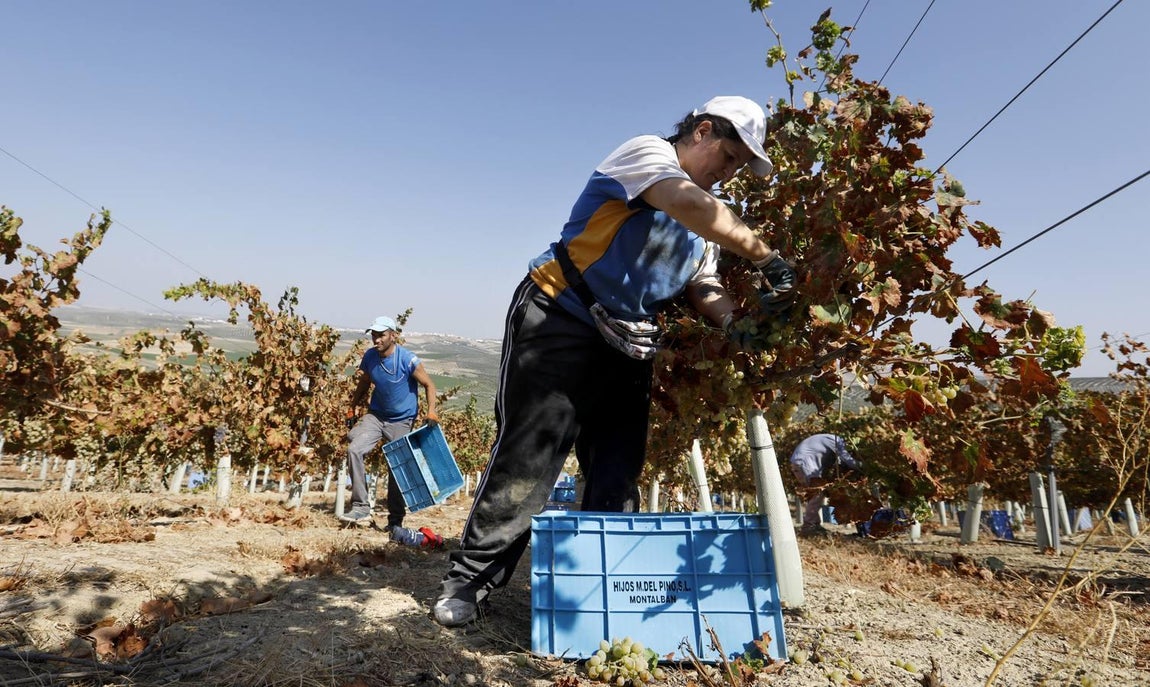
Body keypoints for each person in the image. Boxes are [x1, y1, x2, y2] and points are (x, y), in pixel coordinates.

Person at [433, 96, 797, 627]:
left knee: (618, 472)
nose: (729, 172)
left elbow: (704, 285)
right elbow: (685, 204)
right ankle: (470, 581)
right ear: (701, 131)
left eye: (739, 166)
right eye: (729, 157)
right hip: (559, 314)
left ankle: (600, 599)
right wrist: (766, 256)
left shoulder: (708, 222)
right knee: (529, 458)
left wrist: (736, 325)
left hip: (629, 339)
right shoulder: (648, 157)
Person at [341, 315, 440, 543]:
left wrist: (432, 411)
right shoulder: (370, 357)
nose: (376, 340)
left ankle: (395, 521)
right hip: (376, 416)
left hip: (401, 421)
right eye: (374, 335)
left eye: (381, 335)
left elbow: (429, 384)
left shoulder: (407, 359)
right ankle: (360, 506)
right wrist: (353, 405)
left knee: (397, 468)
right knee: (354, 449)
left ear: (393, 336)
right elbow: (365, 382)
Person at [788, 433, 862, 536]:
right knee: (817, 493)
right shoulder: (837, 440)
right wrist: (863, 466)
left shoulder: (827, 439)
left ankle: (814, 525)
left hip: (799, 464)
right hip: (804, 464)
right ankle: (809, 526)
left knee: (815, 494)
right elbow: (847, 459)